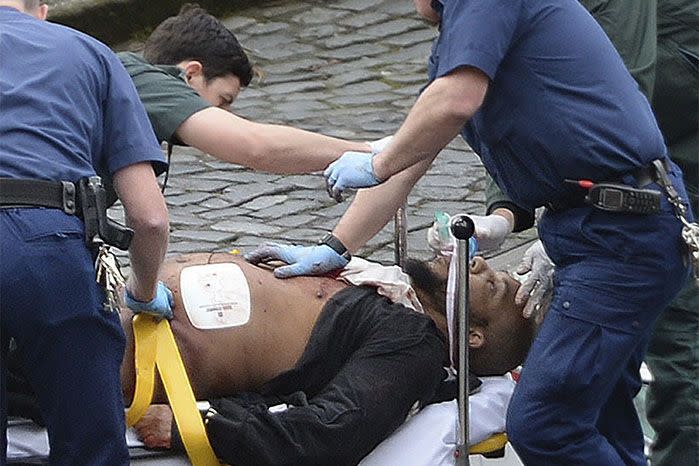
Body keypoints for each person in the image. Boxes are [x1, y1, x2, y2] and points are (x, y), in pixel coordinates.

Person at [246, 1, 693, 464]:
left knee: (546, 423)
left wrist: (378, 163)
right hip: (598, 227)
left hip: (619, 231)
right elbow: (415, 152)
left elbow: (452, 104)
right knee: (599, 411)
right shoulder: (459, 39)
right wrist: (336, 247)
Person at [124, 253, 537, 466]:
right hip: (127, 298)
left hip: (135, 347)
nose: (479, 263)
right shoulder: (393, 297)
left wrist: (200, 425)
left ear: (472, 336)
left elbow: (332, 429)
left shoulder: (415, 346)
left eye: (492, 285)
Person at [0, 1, 172, 465]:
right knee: (91, 447)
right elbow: (149, 217)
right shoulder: (90, 54)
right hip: (52, 247)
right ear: (43, 10)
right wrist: (143, 289)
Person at [114, 3, 373, 190]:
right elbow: (257, 145)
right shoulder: (147, 84)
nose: (223, 115)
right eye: (223, 100)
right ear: (191, 74)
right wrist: (370, 151)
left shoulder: (133, 97)